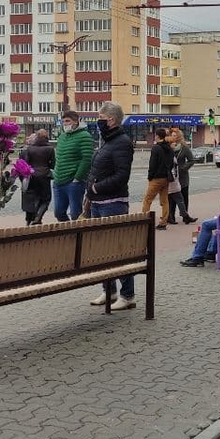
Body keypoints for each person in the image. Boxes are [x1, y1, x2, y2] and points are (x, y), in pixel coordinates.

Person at [86, 102, 137, 310]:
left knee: (118, 249)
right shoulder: (108, 140)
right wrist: (90, 191)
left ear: (111, 120)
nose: (98, 122)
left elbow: (122, 175)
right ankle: (109, 290)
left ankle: (127, 295)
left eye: (101, 118)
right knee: (102, 251)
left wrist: (96, 187)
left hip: (113, 203)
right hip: (98, 203)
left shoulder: (122, 142)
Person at [52, 110, 94, 222]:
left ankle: (78, 232)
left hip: (73, 182)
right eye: (63, 121)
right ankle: (68, 231)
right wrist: (55, 174)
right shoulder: (62, 136)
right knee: (58, 213)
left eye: (68, 121)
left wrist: (77, 178)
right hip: (58, 181)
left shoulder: (84, 136)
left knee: (75, 214)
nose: (65, 124)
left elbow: (87, 159)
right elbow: (59, 157)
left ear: (76, 121)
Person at [141, 127, 174, 229]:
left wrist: (150, 176)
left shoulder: (156, 148)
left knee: (147, 200)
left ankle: (144, 221)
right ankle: (164, 222)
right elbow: (171, 163)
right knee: (165, 201)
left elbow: (153, 164)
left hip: (156, 178)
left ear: (158, 136)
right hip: (166, 177)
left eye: (155, 135)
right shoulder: (169, 148)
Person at [20, 128, 55, 225]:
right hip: (44, 175)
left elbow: (26, 163)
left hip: (32, 175)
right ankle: (38, 217)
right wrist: (47, 166)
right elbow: (53, 164)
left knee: (35, 197)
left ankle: (33, 218)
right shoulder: (50, 149)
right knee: (46, 199)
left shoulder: (30, 148)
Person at [167, 128, 196, 223]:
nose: (173, 137)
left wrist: (183, 168)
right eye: (172, 135)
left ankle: (185, 216)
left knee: (183, 196)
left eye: (175, 135)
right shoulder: (168, 147)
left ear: (179, 137)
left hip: (182, 176)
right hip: (172, 176)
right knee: (171, 197)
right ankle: (171, 216)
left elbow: (191, 160)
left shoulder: (184, 148)